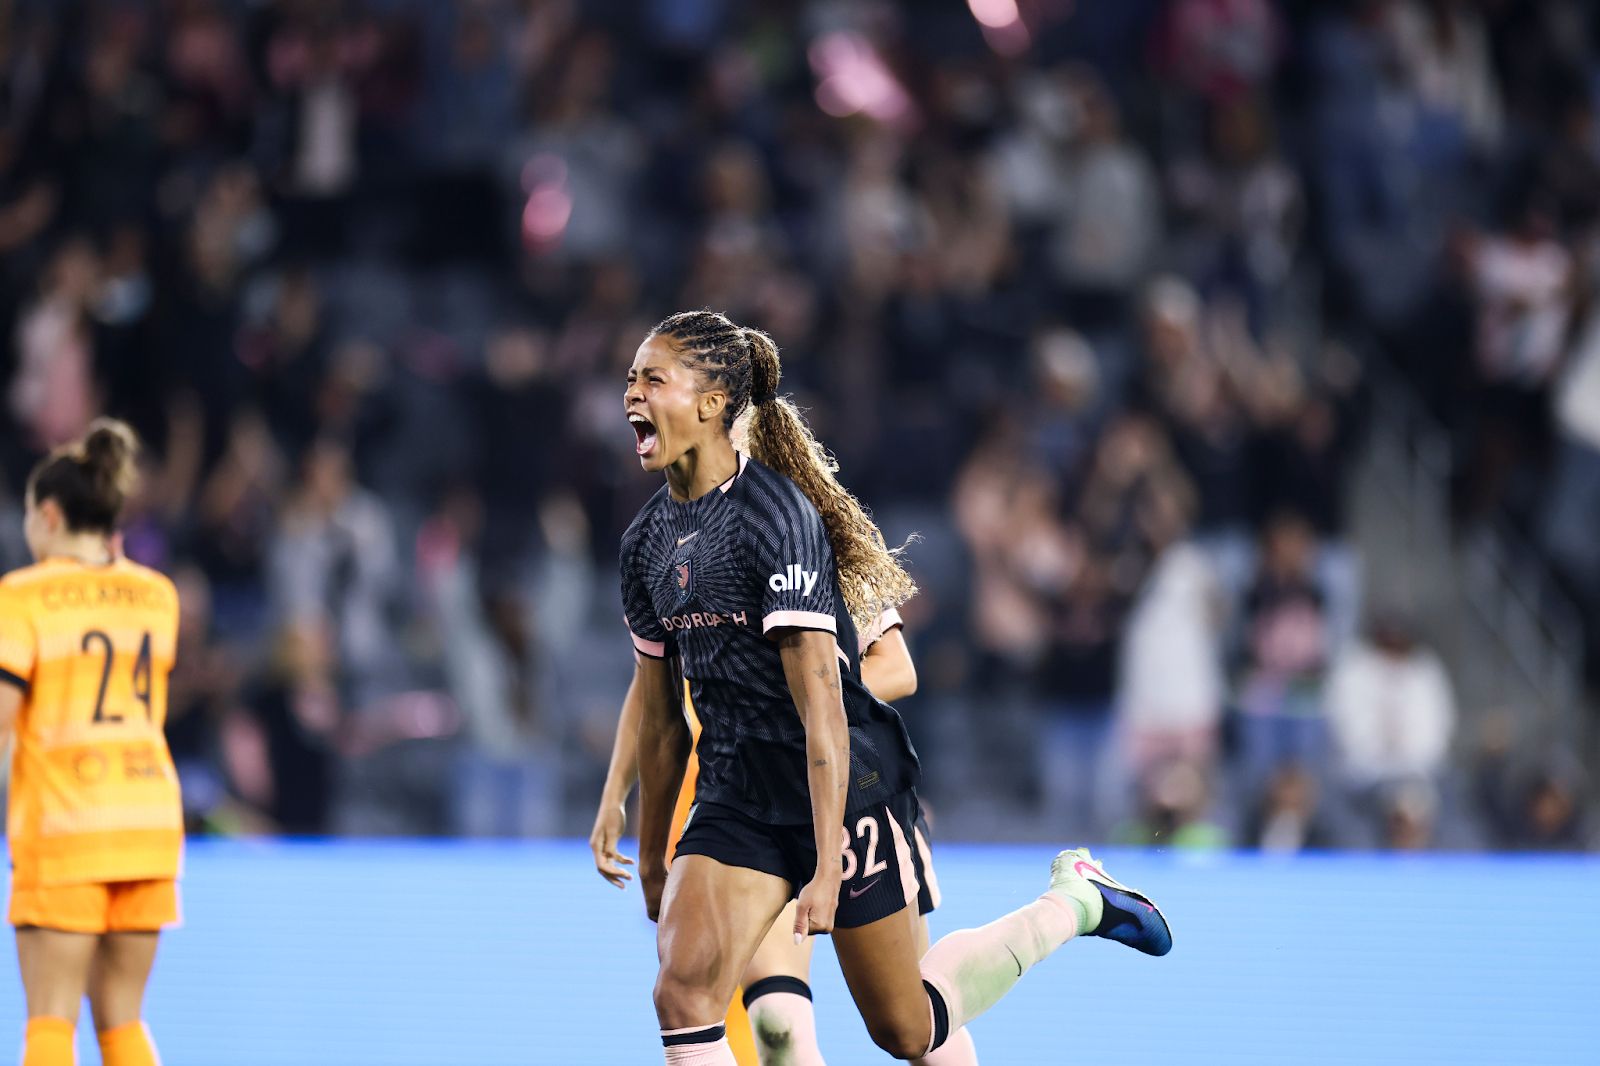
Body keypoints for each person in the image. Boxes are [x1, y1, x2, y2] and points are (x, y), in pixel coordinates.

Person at [610, 310, 1171, 1064]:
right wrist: (644, 842)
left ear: (725, 413)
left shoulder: (805, 529)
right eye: (633, 379)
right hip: (742, 788)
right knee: (711, 1003)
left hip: (845, 782)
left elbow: (884, 675)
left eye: (656, 380)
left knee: (907, 1028)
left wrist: (802, 742)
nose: (633, 396)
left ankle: (1072, 904)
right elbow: (655, 707)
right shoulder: (653, 538)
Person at [593, 603, 979, 1064]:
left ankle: (1063, 911)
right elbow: (653, 684)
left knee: (911, 1025)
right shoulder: (669, 549)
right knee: (778, 1023)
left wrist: (788, 711)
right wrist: (616, 793)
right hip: (749, 810)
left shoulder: (814, 536)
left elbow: (897, 667)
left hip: (852, 799)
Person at [0, 420, 183, 1066]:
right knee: (124, 1022)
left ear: (48, 516)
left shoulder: (22, 599)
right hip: (147, 823)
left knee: (51, 1019)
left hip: (65, 823)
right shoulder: (158, 597)